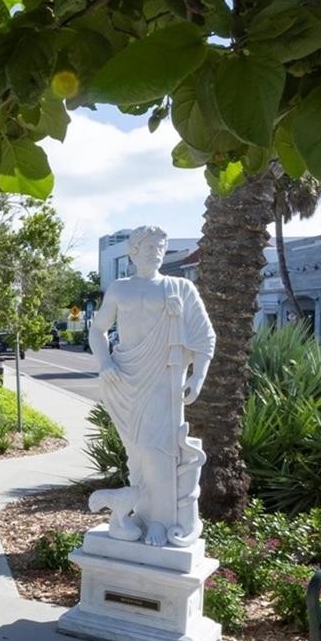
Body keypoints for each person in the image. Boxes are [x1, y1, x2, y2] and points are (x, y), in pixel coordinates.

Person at [89, 225, 215, 546]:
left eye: (160, 248)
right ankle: (139, 514)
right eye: (148, 248)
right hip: (125, 378)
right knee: (136, 451)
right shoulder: (119, 289)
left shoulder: (180, 288)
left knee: (157, 449)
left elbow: (205, 335)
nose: (155, 254)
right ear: (133, 252)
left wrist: (198, 375)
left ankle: (160, 520)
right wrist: (105, 362)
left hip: (163, 379)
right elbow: (97, 330)